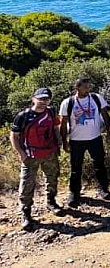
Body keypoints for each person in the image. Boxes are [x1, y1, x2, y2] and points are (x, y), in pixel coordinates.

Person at [12, 88, 63, 230]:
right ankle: (26, 213)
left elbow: (55, 129)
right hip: (31, 156)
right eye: (40, 99)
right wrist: (21, 153)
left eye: (46, 99)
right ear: (33, 99)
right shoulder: (23, 116)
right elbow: (14, 136)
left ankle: (51, 202)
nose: (43, 102)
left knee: (52, 179)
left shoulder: (51, 112)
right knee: (27, 185)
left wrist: (59, 144)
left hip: (50, 153)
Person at [59, 78, 110, 207]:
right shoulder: (68, 102)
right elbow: (63, 124)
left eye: (89, 87)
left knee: (99, 164)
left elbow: (105, 114)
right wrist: (65, 142)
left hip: (95, 138)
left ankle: (103, 189)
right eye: (85, 87)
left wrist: (109, 133)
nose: (87, 90)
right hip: (76, 140)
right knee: (75, 168)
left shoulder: (96, 98)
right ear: (77, 88)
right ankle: (74, 194)